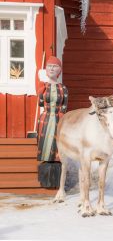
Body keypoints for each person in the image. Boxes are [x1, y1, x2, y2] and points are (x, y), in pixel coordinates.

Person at [37, 56, 68, 188]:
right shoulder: (43, 87)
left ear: (59, 70)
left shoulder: (63, 88)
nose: (51, 68)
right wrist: (40, 91)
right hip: (45, 118)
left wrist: (61, 116)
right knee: (45, 143)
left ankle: (56, 167)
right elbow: (40, 103)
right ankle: (46, 169)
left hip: (58, 117)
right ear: (46, 69)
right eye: (49, 66)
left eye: (55, 66)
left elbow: (65, 105)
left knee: (56, 143)